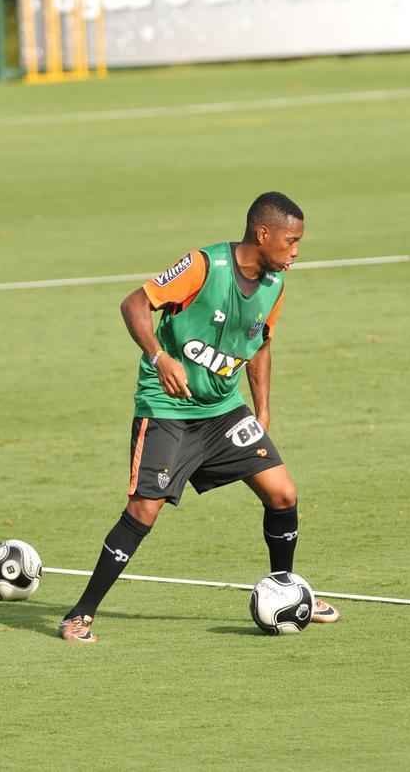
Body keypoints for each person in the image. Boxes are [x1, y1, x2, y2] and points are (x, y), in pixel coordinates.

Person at [58, 191, 340, 643]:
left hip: (223, 411)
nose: (296, 251)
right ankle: (81, 612)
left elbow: (262, 340)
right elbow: (133, 304)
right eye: (290, 241)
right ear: (262, 234)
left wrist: (263, 406)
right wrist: (157, 357)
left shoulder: (274, 286)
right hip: (169, 408)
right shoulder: (203, 266)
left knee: (283, 493)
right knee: (143, 510)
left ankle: (285, 589)